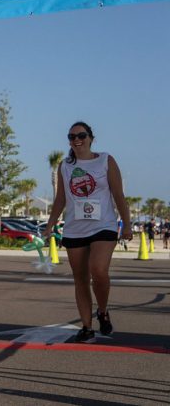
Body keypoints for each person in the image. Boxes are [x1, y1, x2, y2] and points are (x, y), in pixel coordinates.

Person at [43, 121, 132, 343]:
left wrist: (127, 224)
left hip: (104, 225)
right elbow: (61, 199)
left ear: (91, 138)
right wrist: (51, 223)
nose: (76, 140)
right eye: (71, 137)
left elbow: (118, 194)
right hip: (74, 229)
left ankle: (102, 310)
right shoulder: (65, 166)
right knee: (80, 279)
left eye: (81, 135)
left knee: (98, 270)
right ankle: (86, 326)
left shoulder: (105, 160)